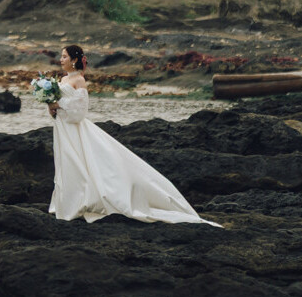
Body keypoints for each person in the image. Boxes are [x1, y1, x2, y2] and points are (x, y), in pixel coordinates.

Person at [46, 44, 220, 226]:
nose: (61, 59)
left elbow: (81, 111)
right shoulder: (63, 79)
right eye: (61, 56)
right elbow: (61, 102)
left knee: (79, 162)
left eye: (64, 56)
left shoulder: (79, 80)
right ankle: (67, 202)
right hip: (63, 127)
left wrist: (59, 105)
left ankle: (82, 200)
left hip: (75, 129)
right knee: (65, 162)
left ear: (74, 60)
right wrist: (51, 106)